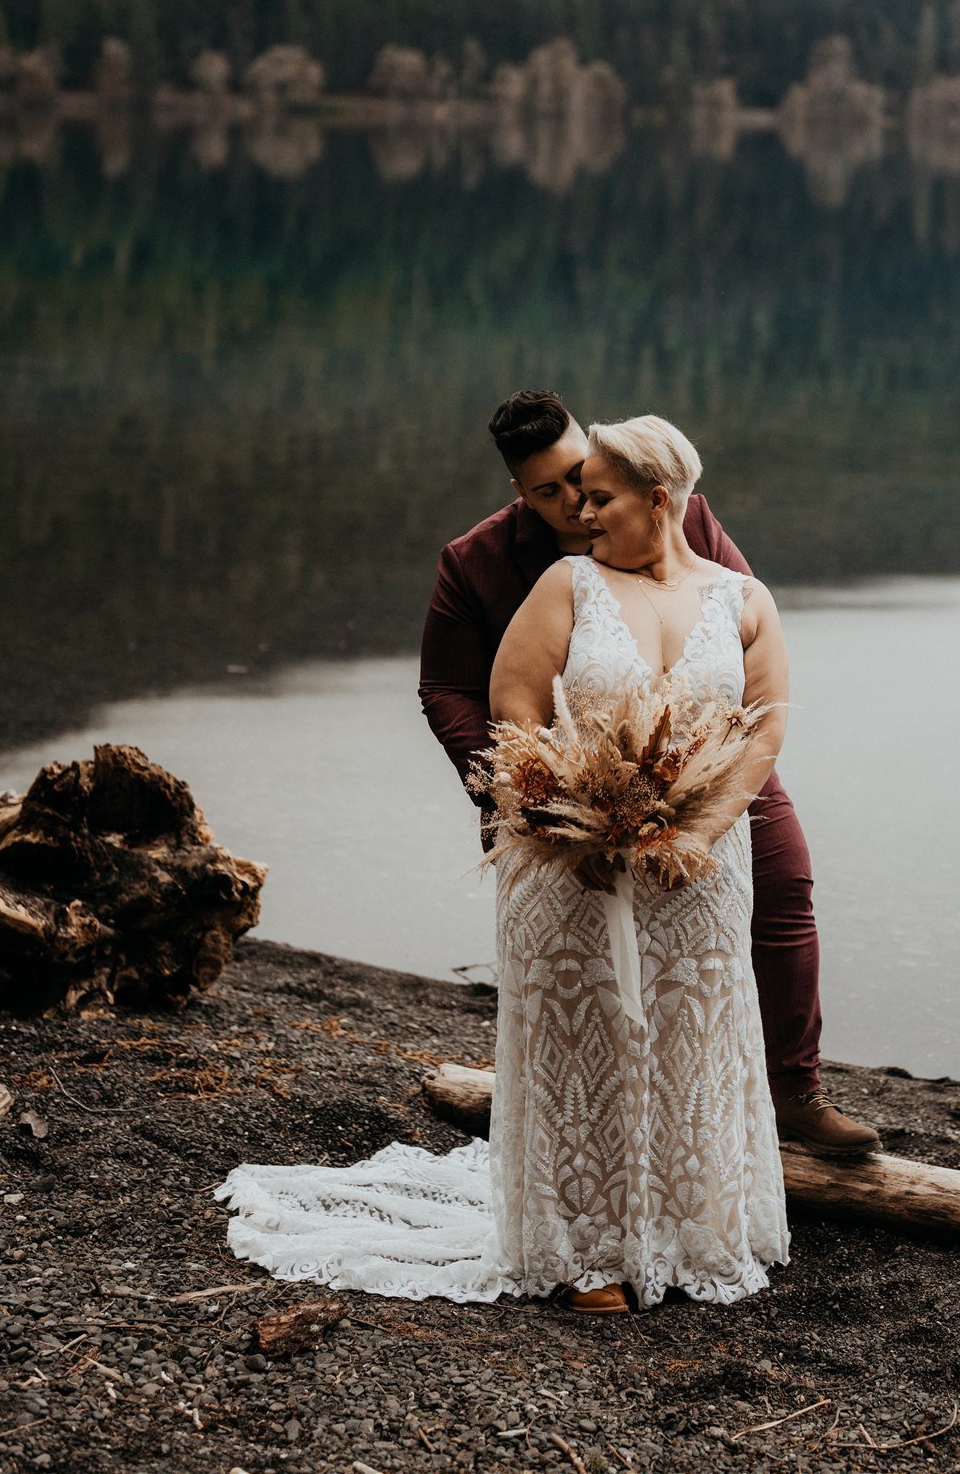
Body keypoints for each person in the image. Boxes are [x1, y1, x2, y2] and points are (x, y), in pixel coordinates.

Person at [214, 414, 791, 1310]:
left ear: (658, 499)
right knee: (584, 1039)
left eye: (599, 498)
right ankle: (588, 1255)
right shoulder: (567, 585)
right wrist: (559, 825)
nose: (583, 515)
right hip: (567, 859)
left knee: (692, 1034)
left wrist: (700, 832)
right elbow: (512, 713)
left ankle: (689, 1233)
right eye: (569, 497)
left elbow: (765, 725)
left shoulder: (742, 597)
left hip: (699, 864)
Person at [420, 389, 880, 1159]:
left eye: (583, 480)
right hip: (554, 782)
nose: (575, 505)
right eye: (549, 492)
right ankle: (601, 1123)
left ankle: (794, 1094)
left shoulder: (680, 519)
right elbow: (449, 690)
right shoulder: (475, 561)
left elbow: (728, 637)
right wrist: (524, 787)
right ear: (517, 493)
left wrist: (708, 792)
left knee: (785, 889)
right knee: (587, 961)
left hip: (701, 763)